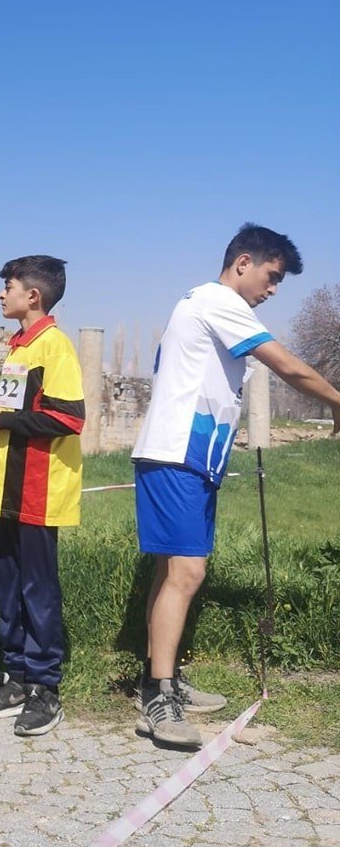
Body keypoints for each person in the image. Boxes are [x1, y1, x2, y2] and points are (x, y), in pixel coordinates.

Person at [132, 223, 340, 748]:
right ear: (242, 262)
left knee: (172, 570)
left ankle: (163, 676)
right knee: (186, 572)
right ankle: (158, 698)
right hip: (176, 453)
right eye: (271, 277)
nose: (272, 291)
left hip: (192, 455)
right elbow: (288, 366)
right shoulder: (219, 301)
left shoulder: (203, 305)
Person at [0, 257, 85, 736]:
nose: (1, 294)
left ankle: (45, 688)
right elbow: (12, 412)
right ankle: (15, 677)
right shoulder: (20, 346)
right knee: (8, 587)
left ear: (32, 296)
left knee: (38, 591)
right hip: (5, 490)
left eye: (8, 286)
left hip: (39, 491)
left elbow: (68, 418)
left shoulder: (55, 346)